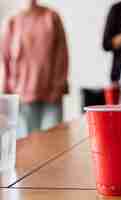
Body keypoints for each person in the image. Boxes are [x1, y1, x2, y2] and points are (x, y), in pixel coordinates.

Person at [0, 0, 69, 137]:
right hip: (22, 96)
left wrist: (58, 86)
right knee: (27, 145)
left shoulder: (52, 17)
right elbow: (5, 60)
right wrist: (5, 98)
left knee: (54, 141)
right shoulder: (12, 21)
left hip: (52, 95)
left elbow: (62, 55)